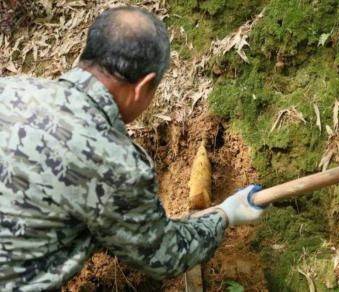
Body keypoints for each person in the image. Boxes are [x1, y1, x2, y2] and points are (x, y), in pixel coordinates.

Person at [0, 6, 266, 291]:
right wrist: (225, 215)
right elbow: (165, 255)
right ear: (144, 86)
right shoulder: (115, 162)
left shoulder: (9, 89)